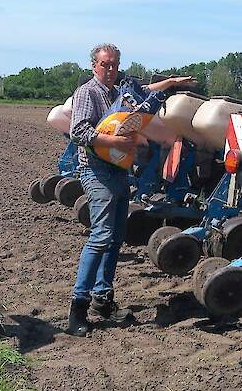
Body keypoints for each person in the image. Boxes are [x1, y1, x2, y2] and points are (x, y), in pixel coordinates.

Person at [66, 43, 194, 337]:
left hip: (119, 171)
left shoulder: (119, 92)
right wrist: (114, 143)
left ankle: (102, 298)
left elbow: (146, 90)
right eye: (105, 65)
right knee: (101, 236)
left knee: (115, 237)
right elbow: (78, 131)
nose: (110, 70)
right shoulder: (88, 92)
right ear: (94, 66)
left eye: (114, 65)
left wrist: (172, 83)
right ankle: (78, 308)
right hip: (97, 171)